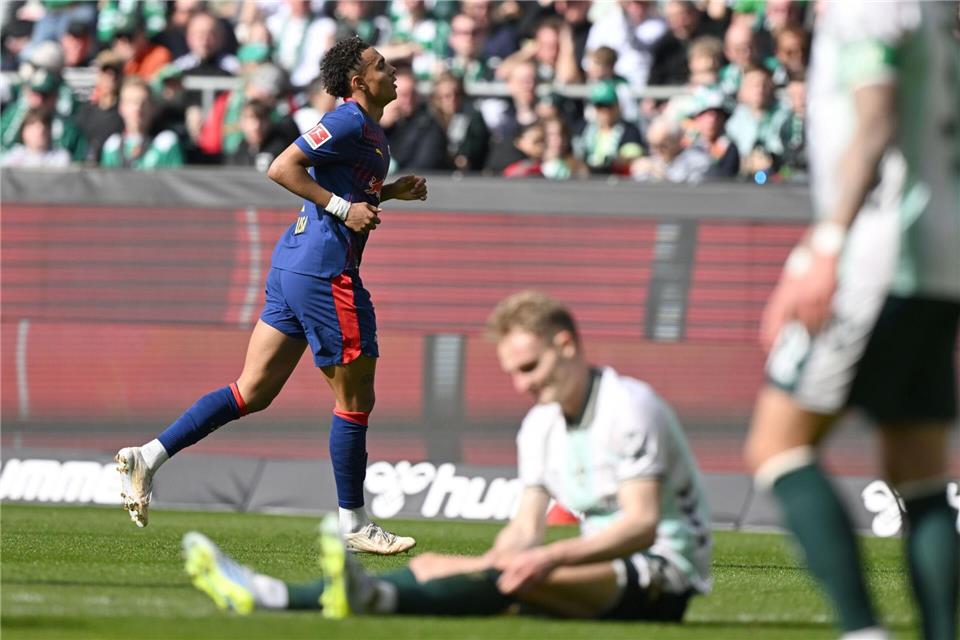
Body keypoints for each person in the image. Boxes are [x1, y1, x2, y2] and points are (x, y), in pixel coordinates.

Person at [182, 290, 713, 621]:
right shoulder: (539, 427)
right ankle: (282, 596)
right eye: (511, 372)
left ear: (567, 345)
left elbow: (642, 526)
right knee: (442, 565)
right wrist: (511, 554)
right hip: (603, 567)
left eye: (529, 367)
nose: (520, 385)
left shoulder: (629, 407)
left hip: (662, 577)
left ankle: (312, 599)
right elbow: (525, 527)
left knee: (515, 576)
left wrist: (540, 558)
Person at [115, 36, 428, 556]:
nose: (392, 71)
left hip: (294, 267)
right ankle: (355, 522)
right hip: (325, 273)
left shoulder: (370, 131)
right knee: (355, 400)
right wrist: (342, 209)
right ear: (357, 82)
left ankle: (147, 457)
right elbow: (282, 166)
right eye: (380, 65)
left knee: (251, 392)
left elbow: (347, 186)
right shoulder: (349, 120)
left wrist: (387, 192)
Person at [743, 3, 958, 640]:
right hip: (939, 257)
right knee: (917, 468)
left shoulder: (868, 4)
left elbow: (875, 120)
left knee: (777, 444)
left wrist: (826, 246)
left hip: (878, 256)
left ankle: (863, 632)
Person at [100, 76, 183, 169]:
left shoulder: (166, 144)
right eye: (131, 102)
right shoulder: (112, 146)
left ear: (153, 108)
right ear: (121, 108)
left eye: (143, 103)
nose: (138, 109)